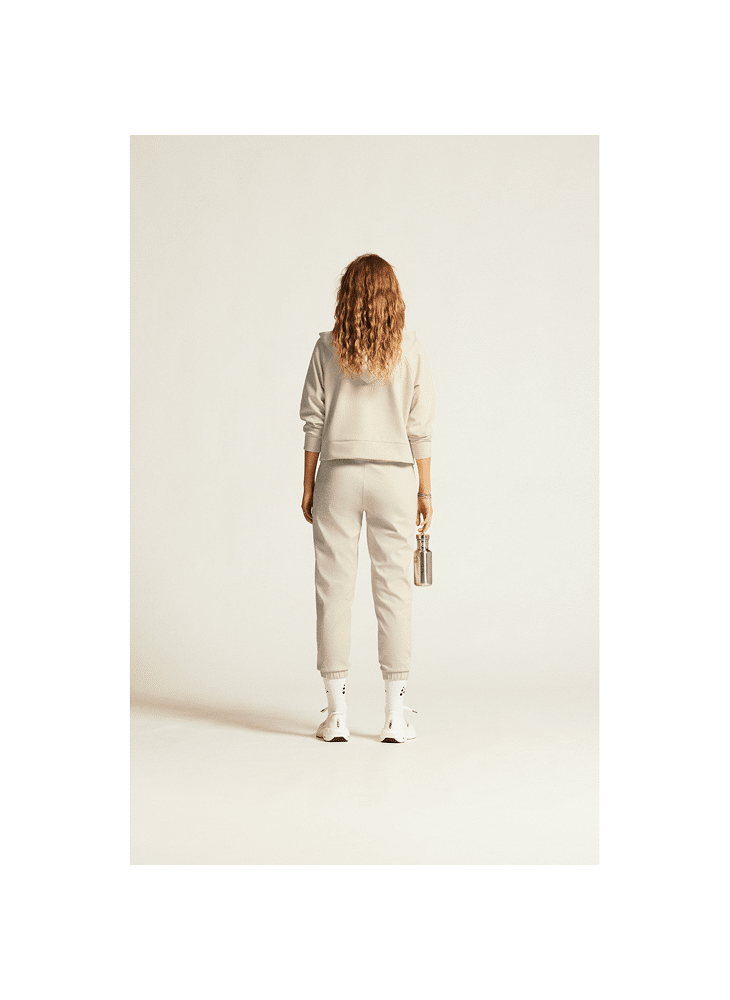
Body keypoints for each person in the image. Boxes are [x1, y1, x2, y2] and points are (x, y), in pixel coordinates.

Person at [299, 254, 435, 743]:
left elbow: (313, 420)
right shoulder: (410, 349)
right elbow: (420, 426)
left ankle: (336, 714)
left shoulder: (326, 347)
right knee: (393, 590)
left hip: (337, 472)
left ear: (347, 295)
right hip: (394, 478)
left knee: (332, 590)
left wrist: (309, 482)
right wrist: (425, 489)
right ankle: (395, 717)